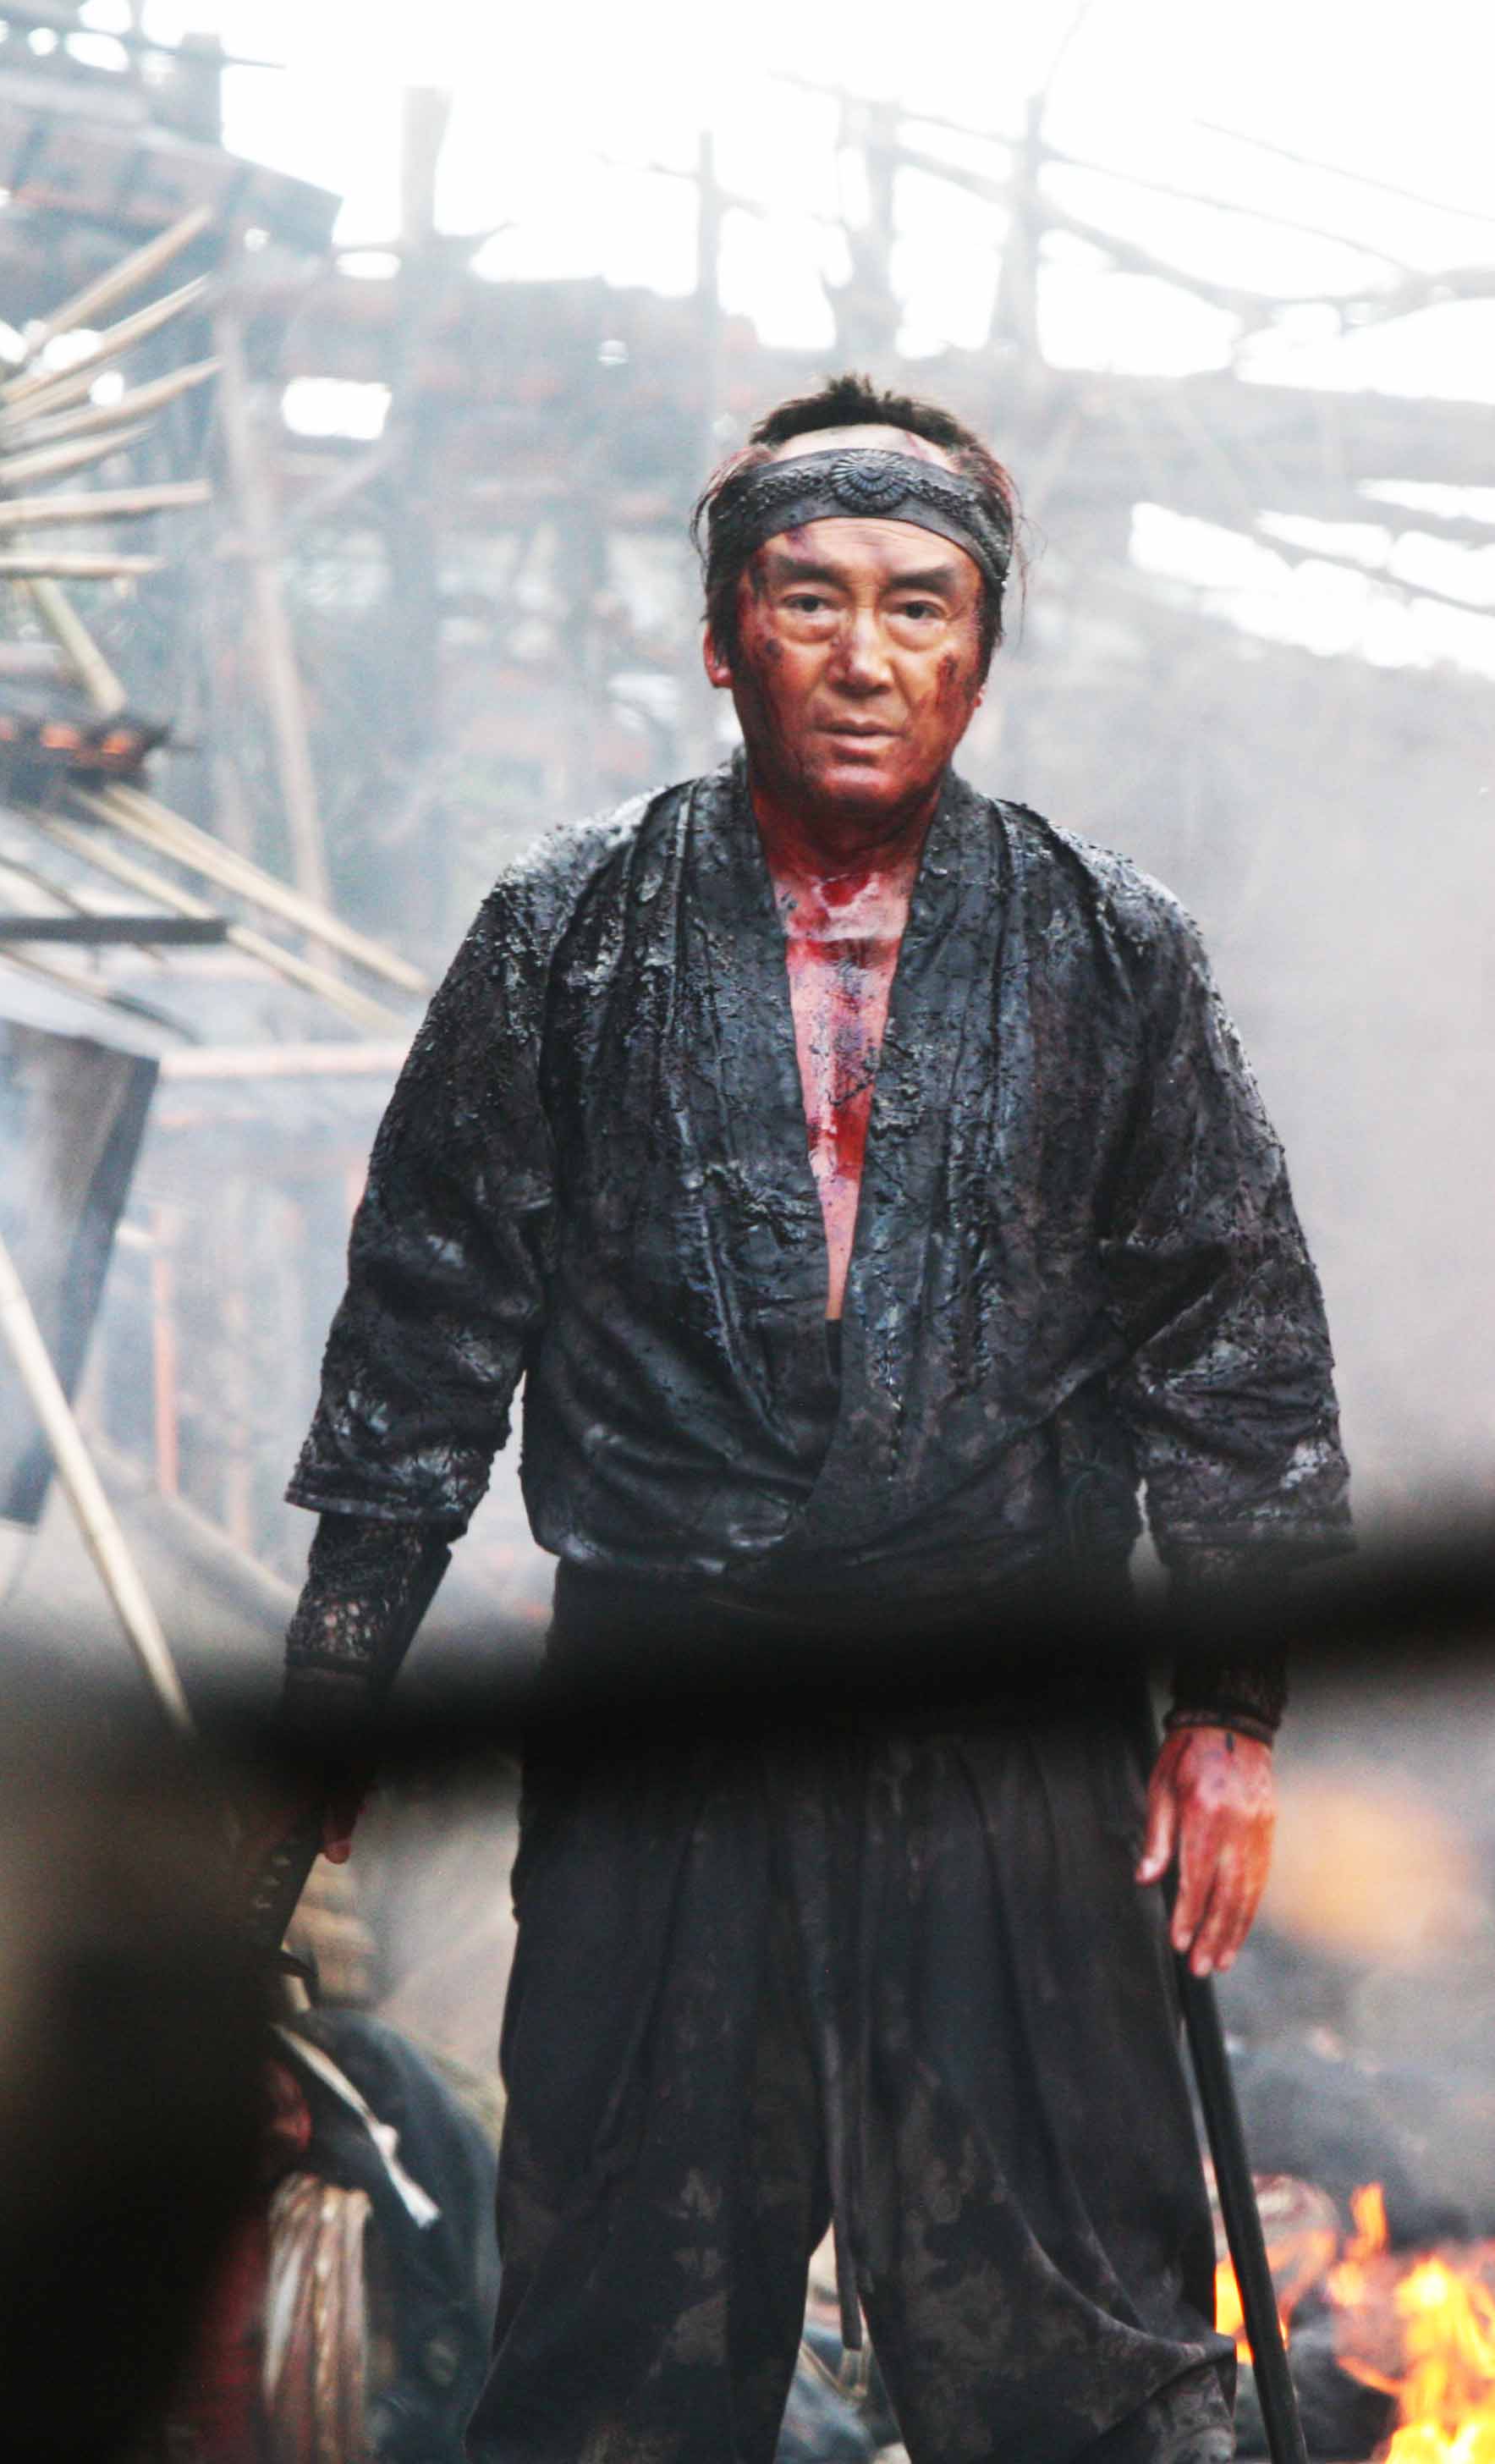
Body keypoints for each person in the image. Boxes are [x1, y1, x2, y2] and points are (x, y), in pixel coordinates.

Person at [274, 371, 1349, 2464]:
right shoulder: (564, 936)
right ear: (721, 638)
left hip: (1008, 1729)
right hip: (669, 1716)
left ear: (982, 652)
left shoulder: (1113, 954)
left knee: (1082, 2359)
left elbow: (1233, 1338)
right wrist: (339, 1673)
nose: (866, 654)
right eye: (810, 598)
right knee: (616, 2356)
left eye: (919, 605)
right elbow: (424, 1334)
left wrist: (1232, 1707)